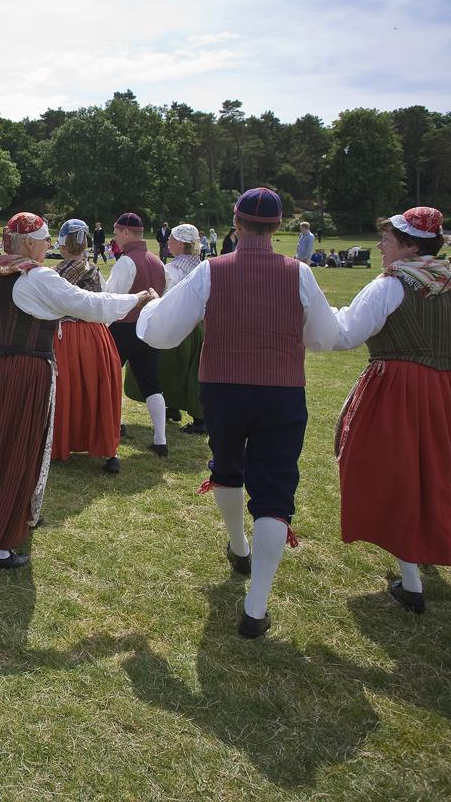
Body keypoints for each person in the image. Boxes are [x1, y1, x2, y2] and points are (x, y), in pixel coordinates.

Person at [137, 188, 340, 638]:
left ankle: (237, 543)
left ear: (236, 221)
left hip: (224, 385)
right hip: (282, 388)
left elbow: (163, 333)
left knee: (228, 466)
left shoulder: (212, 270)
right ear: (280, 226)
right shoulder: (299, 273)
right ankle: (256, 604)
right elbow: (325, 337)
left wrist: (148, 310)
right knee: (274, 490)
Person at [322, 207, 451, 613]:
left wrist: (316, 316)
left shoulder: (390, 286)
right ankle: (422, 550)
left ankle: (411, 583)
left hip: (404, 390)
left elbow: (345, 335)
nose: (379, 246)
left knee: (398, 475)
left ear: (408, 245)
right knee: (436, 470)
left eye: (387, 240)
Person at [0, 213, 153, 571]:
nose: (49, 247)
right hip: (24, 372)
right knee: (19, 450)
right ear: (30, 243)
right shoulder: (37, 277)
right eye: (46, 241)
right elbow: (91, 306)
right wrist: (135, 299)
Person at [49, 218, 125, 473]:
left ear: (62, 245)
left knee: (65, 389)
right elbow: (103, 302)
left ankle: (63, 442)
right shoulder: (94, 270)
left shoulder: (55, 273)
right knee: (98, 388)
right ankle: (108, 450)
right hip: (95, 334)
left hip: (64, 335)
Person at [127, 223, 207, 435]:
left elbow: (164, 299)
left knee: (165, 367)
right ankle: (173, 408)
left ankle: (198, 419)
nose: (168, 242)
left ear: (180, 244)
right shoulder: (201, 267)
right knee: (190, 370)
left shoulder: (171, 270)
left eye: (171, 239)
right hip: (198, 327)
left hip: (177, 325)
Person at [105, 212, 170, 456]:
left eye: (116, 232)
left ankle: (116, 426)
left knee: (112, 377)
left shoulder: (126, 261)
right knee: (151, 383)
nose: (114, 238)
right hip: (148, 328)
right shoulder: (158, 261)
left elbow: (112, 298)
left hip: (123, 327)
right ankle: (160, 440)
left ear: (125, 233)